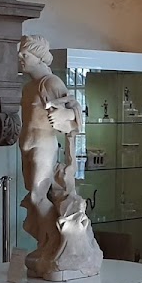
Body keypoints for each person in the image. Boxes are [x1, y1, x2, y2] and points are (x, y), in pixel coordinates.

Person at [17, 35, 83, 268]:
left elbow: (76, 112)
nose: (20, 57)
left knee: (37, 196)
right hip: (27, 145)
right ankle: (46, 243)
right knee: (36, 197)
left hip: (43, 145)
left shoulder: (50, 82)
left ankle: (55, 243)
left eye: (25, 53)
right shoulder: (28, 87)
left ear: (38, 57)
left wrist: (65, 115)